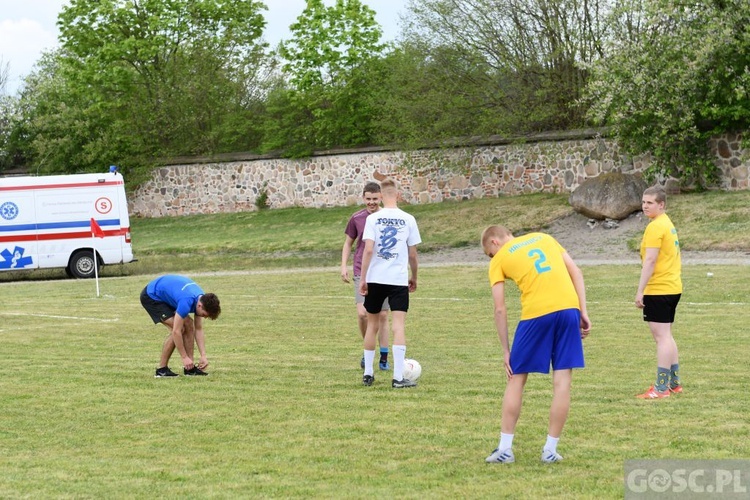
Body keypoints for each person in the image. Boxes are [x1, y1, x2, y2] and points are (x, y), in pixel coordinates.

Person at [480, 225, 591, 464]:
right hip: (569, 309)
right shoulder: (545, 237)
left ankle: (505, 449)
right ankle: (550, 450)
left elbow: (500, 308)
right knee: (563, 382)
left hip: (536, 314)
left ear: (494, 243)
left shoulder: (499, 258)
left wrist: (506, 350)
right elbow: (577, 272)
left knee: (516, 377)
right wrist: (583, 311)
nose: (492, 257)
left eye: (489, 253)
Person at [359, 178, 421, 388]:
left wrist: (364, 278)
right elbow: (413, 254)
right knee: (398, 326)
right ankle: (397, 377)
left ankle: (368, 374)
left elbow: (368, 249)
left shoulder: (373, 219)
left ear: (382, 196)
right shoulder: (409, 219)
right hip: (397, 280)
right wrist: (414, 276)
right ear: (398, 195)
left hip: (376, 278)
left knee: (373, 325)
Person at [635, 185, 683, 399]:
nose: (645, 206)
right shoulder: (666, 223)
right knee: (667, 335)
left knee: (661, 337)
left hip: (660, 288)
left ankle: (661, 388)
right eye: (643, 202)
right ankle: (674, 383)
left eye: (650, 203)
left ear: (661, 205)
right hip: (672, 287)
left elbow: (651, 260)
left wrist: (641, 290)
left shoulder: (655, 227)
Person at [341, 182, 391, 371]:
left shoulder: (388, 217)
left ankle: (384, 358)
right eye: (368, 199)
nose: (371, 202)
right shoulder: (357, 218)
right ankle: (368, 349)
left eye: (375, 199)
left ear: (381, 198)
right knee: (363, 314)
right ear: (363, 198)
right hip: (361, 271)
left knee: (383, 316)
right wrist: (343, 265)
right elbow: (348, 243)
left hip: (383, 272)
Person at [140, 274, 221, 377]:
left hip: (168, 295)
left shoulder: (201, 299)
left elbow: (198, 329)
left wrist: (203, 356)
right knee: (180, 328)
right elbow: (176, 331)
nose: (204, 317)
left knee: (189, 324)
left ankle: (190, 369)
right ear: (200, 306)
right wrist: (184, 358)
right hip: (152, 296)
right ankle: (162, 370)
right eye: (204, 315)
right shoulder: (186, 302)